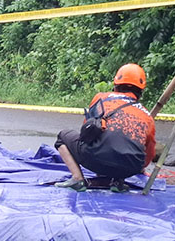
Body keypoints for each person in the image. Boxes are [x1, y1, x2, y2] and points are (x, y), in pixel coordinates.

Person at [54, 63, 156, 192]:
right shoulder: (147, 116)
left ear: (116, 85)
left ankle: (77, 179)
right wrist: (139, 168)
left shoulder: (101, 98)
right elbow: (149, 153)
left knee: (62, 137)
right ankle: (118, 182)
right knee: (124, 147)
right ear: (141, 91)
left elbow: (86, 133)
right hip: (130, 169)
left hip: (94, 160)